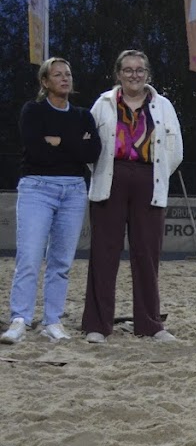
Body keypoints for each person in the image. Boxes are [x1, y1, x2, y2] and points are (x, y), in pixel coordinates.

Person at [81, 50, 183, 343]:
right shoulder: (102, 104)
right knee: (103, 253)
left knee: (147, 255)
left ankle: (150, 324)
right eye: (127, 70)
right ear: (118, 74)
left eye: (139, 70)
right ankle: (97, 325)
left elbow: (175, 151)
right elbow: (90, 147)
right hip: (110, 179)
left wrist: (156, 173)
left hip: (149, 179)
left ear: (148, 74)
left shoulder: (163, 106)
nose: (134, 75)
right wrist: (103, 170)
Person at [2, 58, 102, 344]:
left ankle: (52, 321)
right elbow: (36, 150)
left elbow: (92, 152)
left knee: (61, 261)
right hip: (37, 188)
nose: (64, 78)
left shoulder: (83, 115)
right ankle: (20, 319)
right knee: (30, 257)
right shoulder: (32, 110)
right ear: (45, 82)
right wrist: (75, 144)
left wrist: (59, 141)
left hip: (73, 190)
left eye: (68, 73)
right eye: (57, 74)